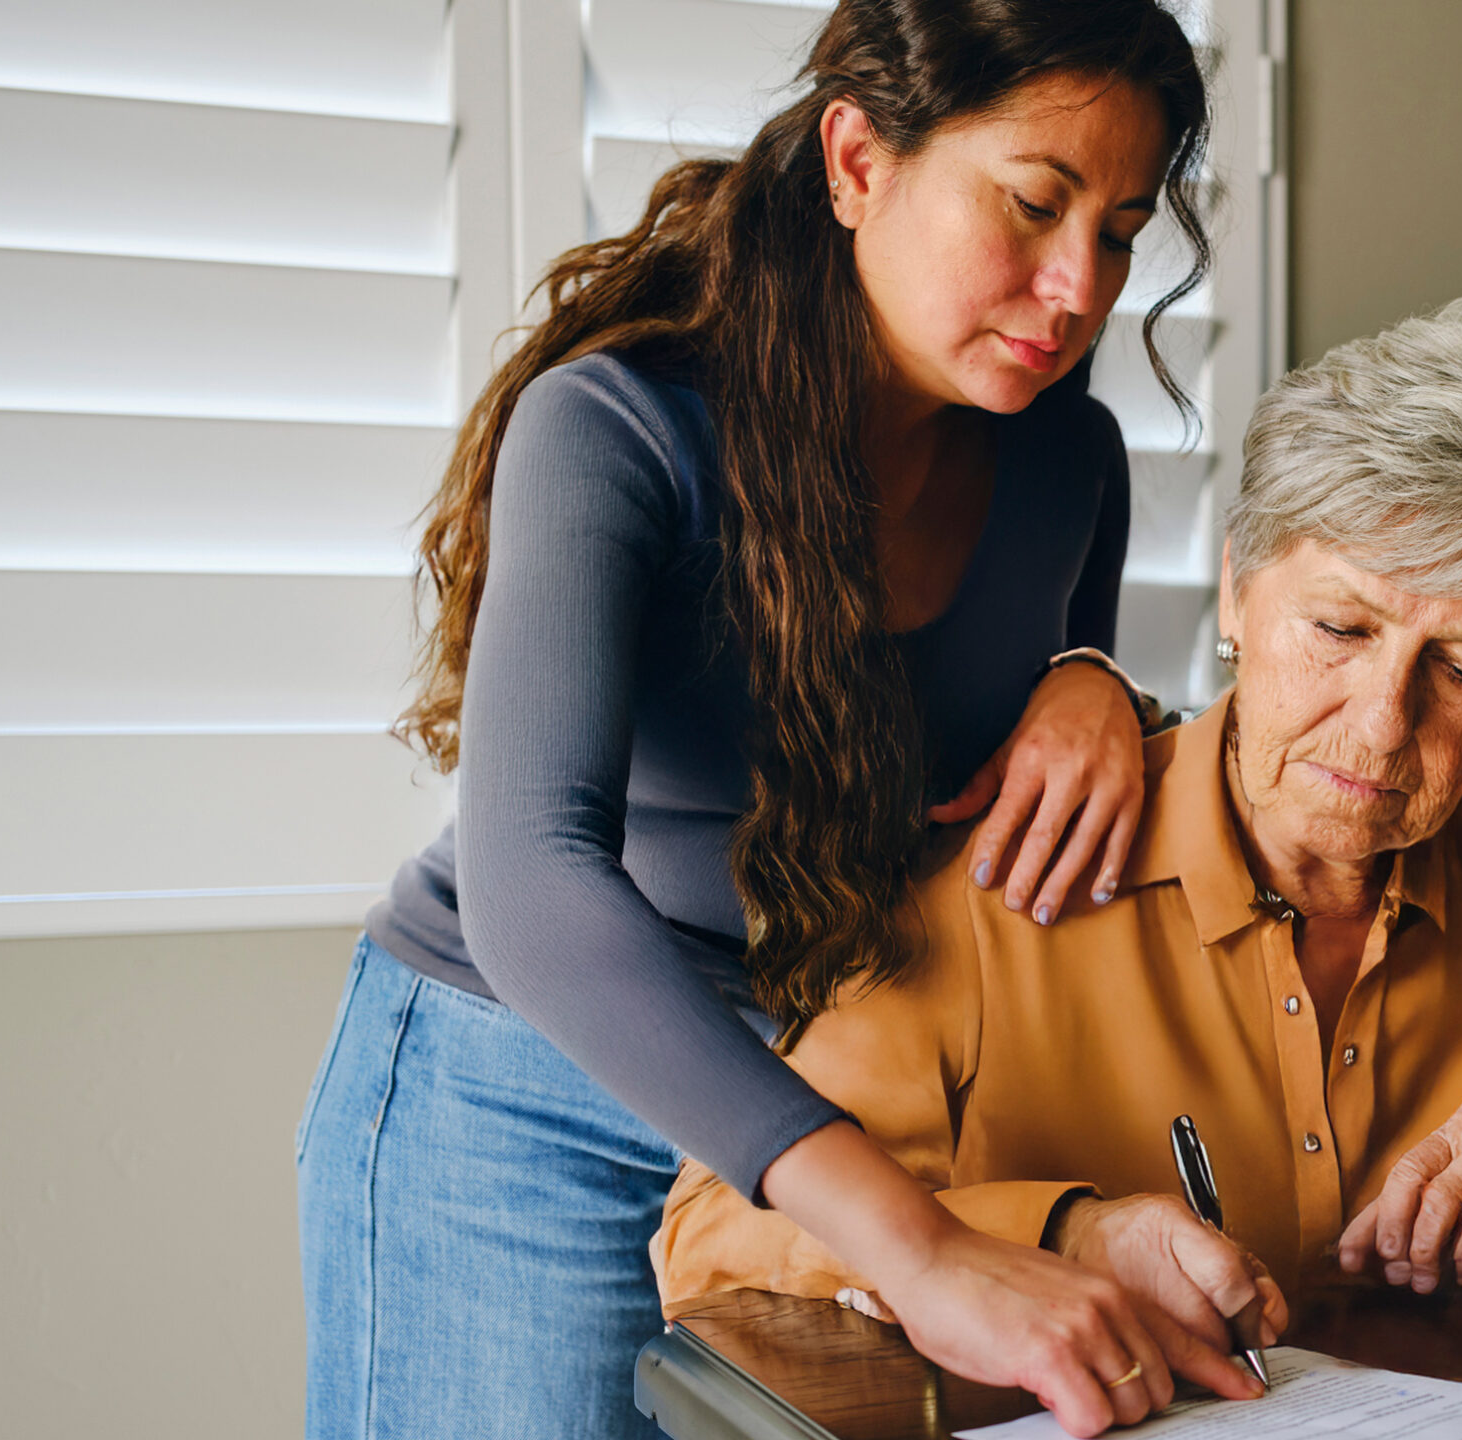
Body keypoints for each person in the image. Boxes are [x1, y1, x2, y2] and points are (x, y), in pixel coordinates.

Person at [651, 297, 1462, 1354]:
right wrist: (1067, 1236)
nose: (1383, 724)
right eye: (1340, 629)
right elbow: (714, 1240)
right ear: (1235, 588)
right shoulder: (1002, 876)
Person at [294, 4, 1258, 1438]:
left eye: (1119, 231)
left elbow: (1001, 829)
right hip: (519, 1099)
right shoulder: (617, 429)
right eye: (1033, 203)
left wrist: (1100, 687)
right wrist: (920, 1248)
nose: (1078, 287)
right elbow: (530, 875)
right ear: (858, 162)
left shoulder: (1073, 462)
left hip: (840, 1082)